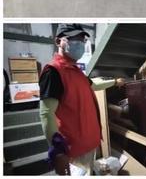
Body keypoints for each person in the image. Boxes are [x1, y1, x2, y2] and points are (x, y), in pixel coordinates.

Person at [39, 24, 126, 175]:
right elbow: (46, 114)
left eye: (81, 40)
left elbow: (94, 85)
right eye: (73, 39)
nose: (79, 43)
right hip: (74, 151)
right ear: (58, 41)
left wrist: (114, 82)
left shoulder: (76, 71)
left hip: (90, 144)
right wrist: (58, 152)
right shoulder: (53, 72)